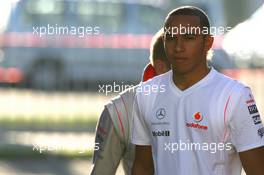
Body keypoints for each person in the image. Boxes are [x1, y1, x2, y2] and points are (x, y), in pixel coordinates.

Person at [131, 6, 264, 175]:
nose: (178, 47)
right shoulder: (147, 93)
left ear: (207, 43)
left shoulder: (235, 95)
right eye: (171, 38)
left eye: (188, 38)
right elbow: (142, 166)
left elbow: (258, 170)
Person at [90, 29, 170, 175]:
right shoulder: (119, 111)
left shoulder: (217, 103)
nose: (202, 76)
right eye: (190, 68)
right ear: (161, 68)